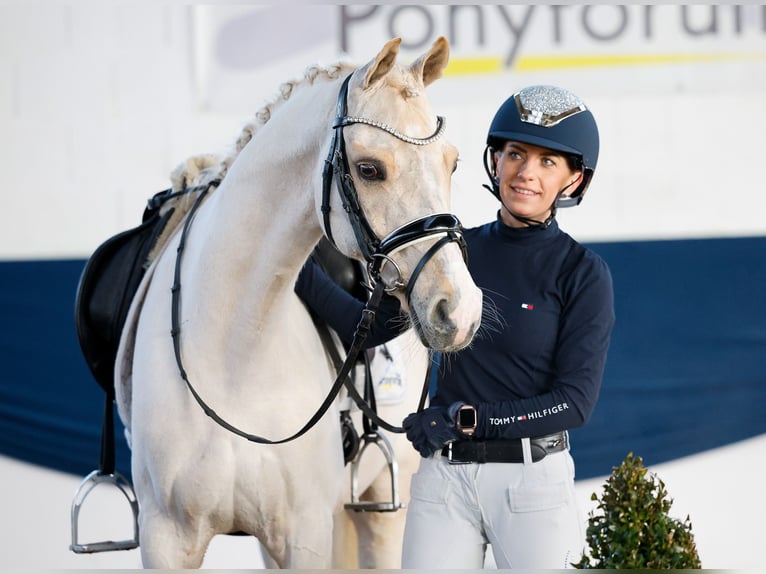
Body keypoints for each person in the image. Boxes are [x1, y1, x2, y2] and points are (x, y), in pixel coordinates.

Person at [295, 84, 615, 569]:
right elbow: (367, 329)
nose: (526, 172)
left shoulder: (582, 273)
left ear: (574, 179)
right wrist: (292, 271)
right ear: (496, 159)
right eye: (515, 153)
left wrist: (467, 419)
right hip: (445, 477)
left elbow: (573, 402)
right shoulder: (452, 253)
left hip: (531, 484)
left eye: (548, 162)